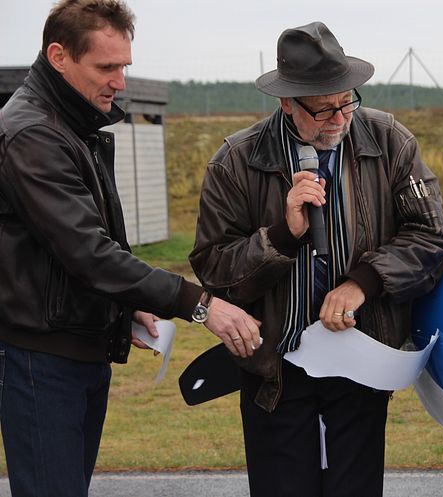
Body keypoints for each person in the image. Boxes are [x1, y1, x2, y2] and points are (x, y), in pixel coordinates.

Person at [0, 1, 262, 496]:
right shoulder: (34, 133)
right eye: (106, 67)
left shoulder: (72, 124)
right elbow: (89, 253)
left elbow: (72, 255)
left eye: (124, 66)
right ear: (58, 56)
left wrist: (128, 304)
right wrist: (200, 304)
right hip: (42, 361)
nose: (119, 81)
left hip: (74, 351)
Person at [189, 21, 443, 497]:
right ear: (287, 102)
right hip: (274, 369)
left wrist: (364, 282)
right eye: (323, 110)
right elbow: (213, 267)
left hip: (361, 361)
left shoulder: (390, 140)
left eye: (347, 101)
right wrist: (282, 236)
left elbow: (432, 235)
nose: (339, 118)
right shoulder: (235, 161)